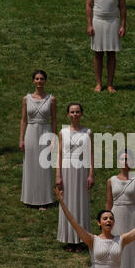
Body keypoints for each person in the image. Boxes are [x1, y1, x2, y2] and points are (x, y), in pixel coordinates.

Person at [106, 150, 135, 268]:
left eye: (127, 159)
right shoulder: (111, 181)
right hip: (116, 216)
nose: (125, 161)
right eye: (122, 158)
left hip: (131, 217)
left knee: (130, 255)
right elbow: (108, 203)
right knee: (116, 254)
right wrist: (106, 224)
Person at [56, 103, 94, 252]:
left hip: (82, 170)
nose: (75, 114)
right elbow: (59, 155)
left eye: (77, 112)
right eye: (72, 112)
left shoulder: (87, 132)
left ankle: (81, 240)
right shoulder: (62, 132)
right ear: (67, 114)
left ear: (81, 114)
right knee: (67, 202)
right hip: (66, 170)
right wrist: (58, 175)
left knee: (81, 202)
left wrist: (91, 174)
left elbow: (91, 154)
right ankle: (69, 239)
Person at [86, 0, 126, 93]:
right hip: (98, 21)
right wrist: (89, 24)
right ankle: (98, 83)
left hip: (113, 21)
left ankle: (110, 84)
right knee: (98, 53)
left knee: (111, 53)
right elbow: (89, 5)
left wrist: (123, 25)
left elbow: (122, 7)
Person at [20, 70, 56, 210]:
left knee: (44, 166)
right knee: (30, 165)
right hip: (31, 132)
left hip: (45, 131)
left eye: (42, 79)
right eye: (37, 79)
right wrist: (21, 139)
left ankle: (43, 200)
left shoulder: (51, 99)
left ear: (45, 81)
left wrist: (53, 138)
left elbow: (54, 120)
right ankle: (29, 198)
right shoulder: (26, 99)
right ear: (33, 81)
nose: (39, 81)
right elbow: (23, 120)